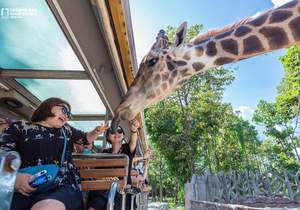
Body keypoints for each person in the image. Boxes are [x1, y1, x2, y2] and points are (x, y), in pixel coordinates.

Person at [0, 97, 109, 210]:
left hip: (61, 185)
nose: (66, 116)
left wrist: (96, 132)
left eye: (69, 115)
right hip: (26, 186)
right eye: (65, 110)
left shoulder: (66, 130)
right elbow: (2, 154)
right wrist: (13, 177)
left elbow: (85, 139)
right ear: (49, 105)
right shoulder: (20, 126)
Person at [87, 119, 140, 210]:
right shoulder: (104, 153)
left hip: (122, 192)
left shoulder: (127, 149)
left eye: (119, 131)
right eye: (112, 131)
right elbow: (98, 175)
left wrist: (134, 130)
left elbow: (133, 142)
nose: (116, 133)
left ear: (123, 135)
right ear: (107, 137)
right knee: (94, 205)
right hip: (104, 191)